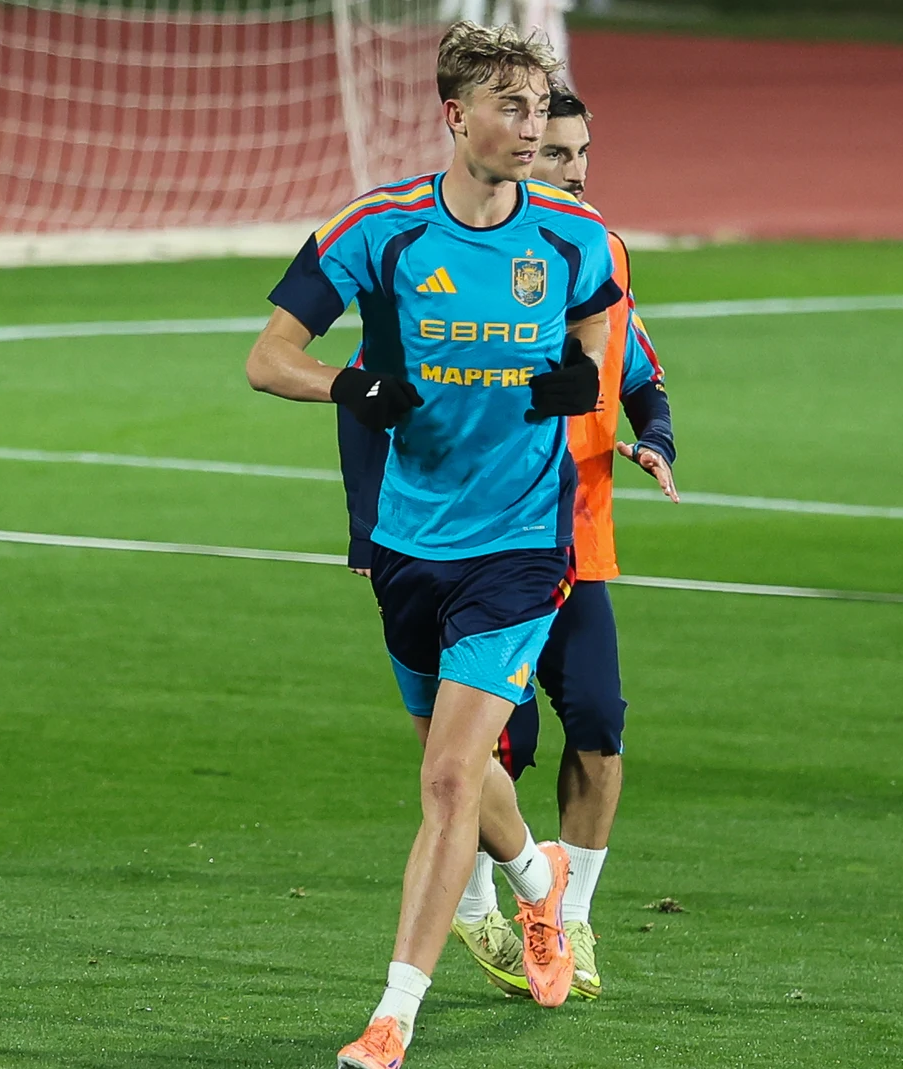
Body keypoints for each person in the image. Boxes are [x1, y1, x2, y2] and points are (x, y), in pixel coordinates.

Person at [246, 22, 622, 1069]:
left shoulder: (573, 239)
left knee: (454, 779)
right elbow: (269, 357)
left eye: (539, 109)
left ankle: (391, 1017)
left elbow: (603, 339)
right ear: (456, 116)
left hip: (520, 546)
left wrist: (581, 382)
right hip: (409, 539)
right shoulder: (379, 230)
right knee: (454, 766)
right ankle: (543, 888)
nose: (530, 127)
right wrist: (349, 384)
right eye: (511, 108)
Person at [337, 85, 677, 1004]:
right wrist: (367, 522)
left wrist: (657, 439)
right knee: (482, 760)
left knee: (599, 730)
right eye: (552, 152)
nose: (566, 170)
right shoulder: (448, 255)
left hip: (573, 546)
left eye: (576, 156)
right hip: (462, 539)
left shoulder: (586, 263)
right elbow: (374, 389)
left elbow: (640, 375)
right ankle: (489, 902)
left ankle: (567, 917)